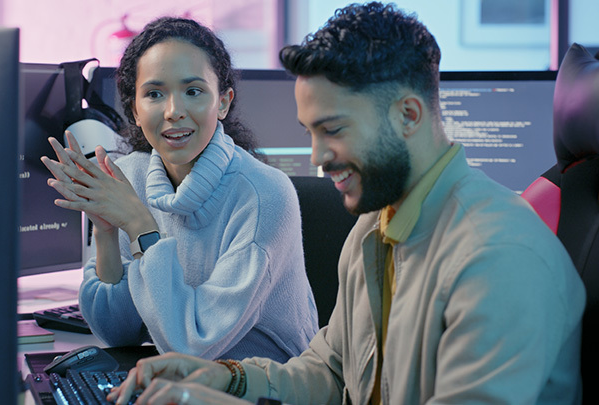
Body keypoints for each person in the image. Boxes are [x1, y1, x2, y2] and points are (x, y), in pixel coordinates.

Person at [107, 3, 587, 404]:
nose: (316, 157)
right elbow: (329, 372)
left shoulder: (498, 257)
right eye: (310, 132)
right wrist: (222, 379)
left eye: (332, 130)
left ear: (408, 115)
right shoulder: (376, 229)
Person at [41, 16, 318, 363]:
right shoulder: (128, 177)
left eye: (193, 91)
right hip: (181, 381)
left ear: (223, 102)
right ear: (134, 111)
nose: (174, 111)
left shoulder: (265, 196)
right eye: (155, 94)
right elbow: (117, 333)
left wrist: (141, 227)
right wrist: (106, 232)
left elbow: (193, 346)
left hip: (261, 386)